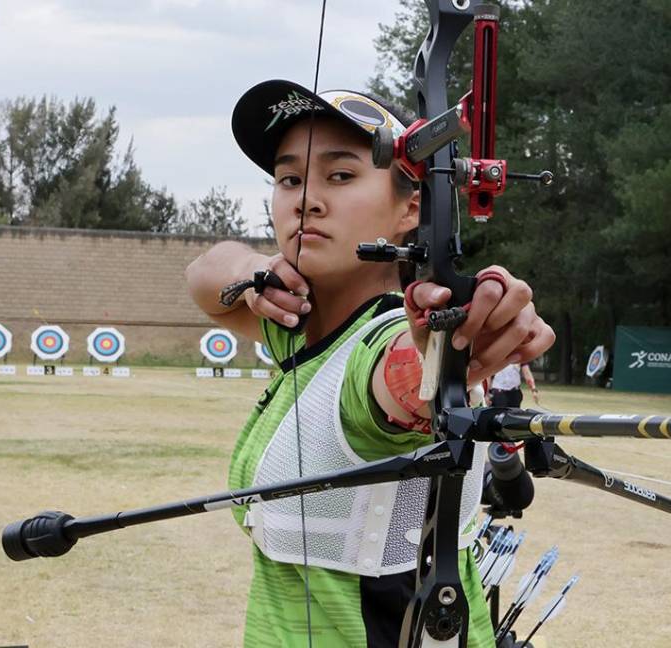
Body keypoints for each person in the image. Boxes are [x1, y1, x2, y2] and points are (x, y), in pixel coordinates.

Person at [185, 81, 554, 648]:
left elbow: (400, 380)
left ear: (413, 207)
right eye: (289, 179)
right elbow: (205, 275)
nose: (306, 199)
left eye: (340, 176)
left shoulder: (377, 339)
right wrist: (256, 269)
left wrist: (458, 347)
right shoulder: (296, 325)